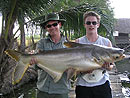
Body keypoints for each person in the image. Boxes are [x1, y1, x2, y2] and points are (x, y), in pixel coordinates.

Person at [30, 13, 70, 98]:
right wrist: (34, 63)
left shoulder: (68, 44)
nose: (52, 27)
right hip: (43, 89)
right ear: (46, 28)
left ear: (59, 25)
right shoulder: (41, 43)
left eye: (54, 24)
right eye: (49, 26)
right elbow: (36, 67)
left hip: (61, 90)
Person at [75, 11, 113, 98]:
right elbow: (75, 66)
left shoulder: (106, 42)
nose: (91, 25)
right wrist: (83, 70)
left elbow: (111, 66)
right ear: (84, 25)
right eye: (88, 23)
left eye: (94, 22)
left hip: (102, 84)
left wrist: (108, 67)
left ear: (98, 24)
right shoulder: (78, 42)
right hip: (83, 86)